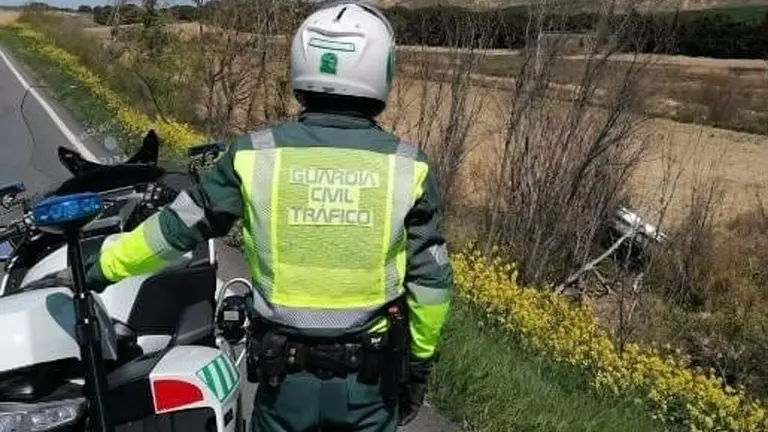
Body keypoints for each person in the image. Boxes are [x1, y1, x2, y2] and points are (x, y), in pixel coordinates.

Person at [81, 2, 453, 431]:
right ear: (382, 70)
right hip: (366, 389)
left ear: (301, 64)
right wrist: (418, 366)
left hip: (283, 385)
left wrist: (100, 268)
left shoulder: (255, 154)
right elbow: (431, 285)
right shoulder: (408, 167)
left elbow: (175, 228)